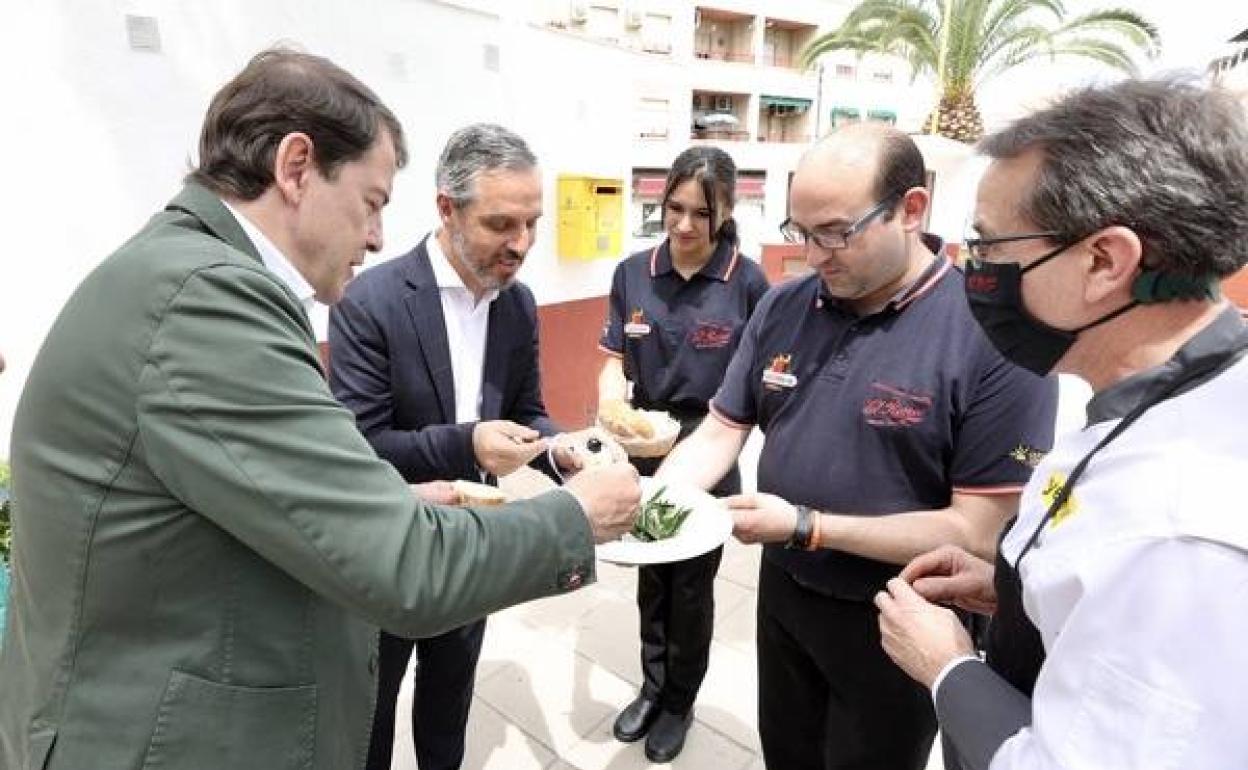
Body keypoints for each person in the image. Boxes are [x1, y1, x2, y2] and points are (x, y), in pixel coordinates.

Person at [0, 48, 641, 770]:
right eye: (371, 202)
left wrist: (398, 498)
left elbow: (248, 489)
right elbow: (404, 566)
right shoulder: (209, 302)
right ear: (297, 167)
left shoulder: (190, 276)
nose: (373, 235)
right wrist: (576, 518)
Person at [652, 123, 1058, 770]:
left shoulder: (992, 338)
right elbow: (723, 428)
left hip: (902, 619)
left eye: (836, 232)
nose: (816, 255)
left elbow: (976, 532)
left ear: (911, 209)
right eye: (801, 232)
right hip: (785, 593)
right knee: (787, 752)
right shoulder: (783, 306)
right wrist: (653, 503)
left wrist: (809, 526)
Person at [876, 78, 1248, 770]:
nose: (971, 271)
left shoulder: (1176, 528)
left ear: (1104, 261)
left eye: (989, 248)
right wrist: (1022, 592)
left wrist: (948, 668)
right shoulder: (1173, 398)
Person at [328, 123, 615, 770]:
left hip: (476, 541)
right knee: (369, 710)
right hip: (388, 543)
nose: (522, 245)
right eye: (501, 224)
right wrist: (470, 441)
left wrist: (559, 451)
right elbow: (362, 448)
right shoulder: (370, 302)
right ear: (446, 209)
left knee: (449, 699)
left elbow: (527, 414)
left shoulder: (517, 307)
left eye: (533, 224)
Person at [597, 146, 769, 762]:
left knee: (691, 586)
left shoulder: (747, 281)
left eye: (702, 212)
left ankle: (679, 702)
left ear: (726, 212)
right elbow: (614, 363)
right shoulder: (632, 273)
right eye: (675, 208)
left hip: (710, 447)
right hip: (644, 442)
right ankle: (651, 685)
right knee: (651, 577)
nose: (686, 225)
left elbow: (755, 388)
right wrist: (611, 406)